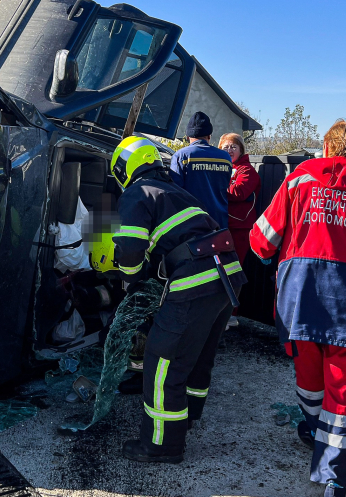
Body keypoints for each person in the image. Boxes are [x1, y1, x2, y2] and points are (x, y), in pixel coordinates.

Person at [250, 121, 346, 497]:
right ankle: (333, 478)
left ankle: (311, 425)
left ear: (326, 146)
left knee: (308, 373)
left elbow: (262, 240)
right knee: (342, 388)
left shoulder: (299, 180)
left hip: (300, 296)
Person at [110, 136, 246, 463]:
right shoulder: (175, 192)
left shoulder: (137, 192)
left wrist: (130, 278)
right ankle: (187, 414)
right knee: (197, 353)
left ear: (122, 167)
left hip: (197, 277)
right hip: (228, 272)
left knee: (162, 360)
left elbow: (129, 249)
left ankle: (160, 444)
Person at [218, 133, 261, 328]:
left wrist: (216, 186)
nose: (229, 150)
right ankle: (217, 312)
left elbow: (239, 192)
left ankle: (230, 314)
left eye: (233, 147)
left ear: (241, 150)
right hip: (221, 226)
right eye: (225, 147)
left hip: (239, 229)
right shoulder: (222, 169)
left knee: (234, 271)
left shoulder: (247, 171)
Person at [170, 111, 232, 229]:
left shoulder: (180, 156)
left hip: (191, 223)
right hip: (219, 221)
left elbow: (174, 192)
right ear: (209, 136)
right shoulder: (225, 157)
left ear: (188, 137)